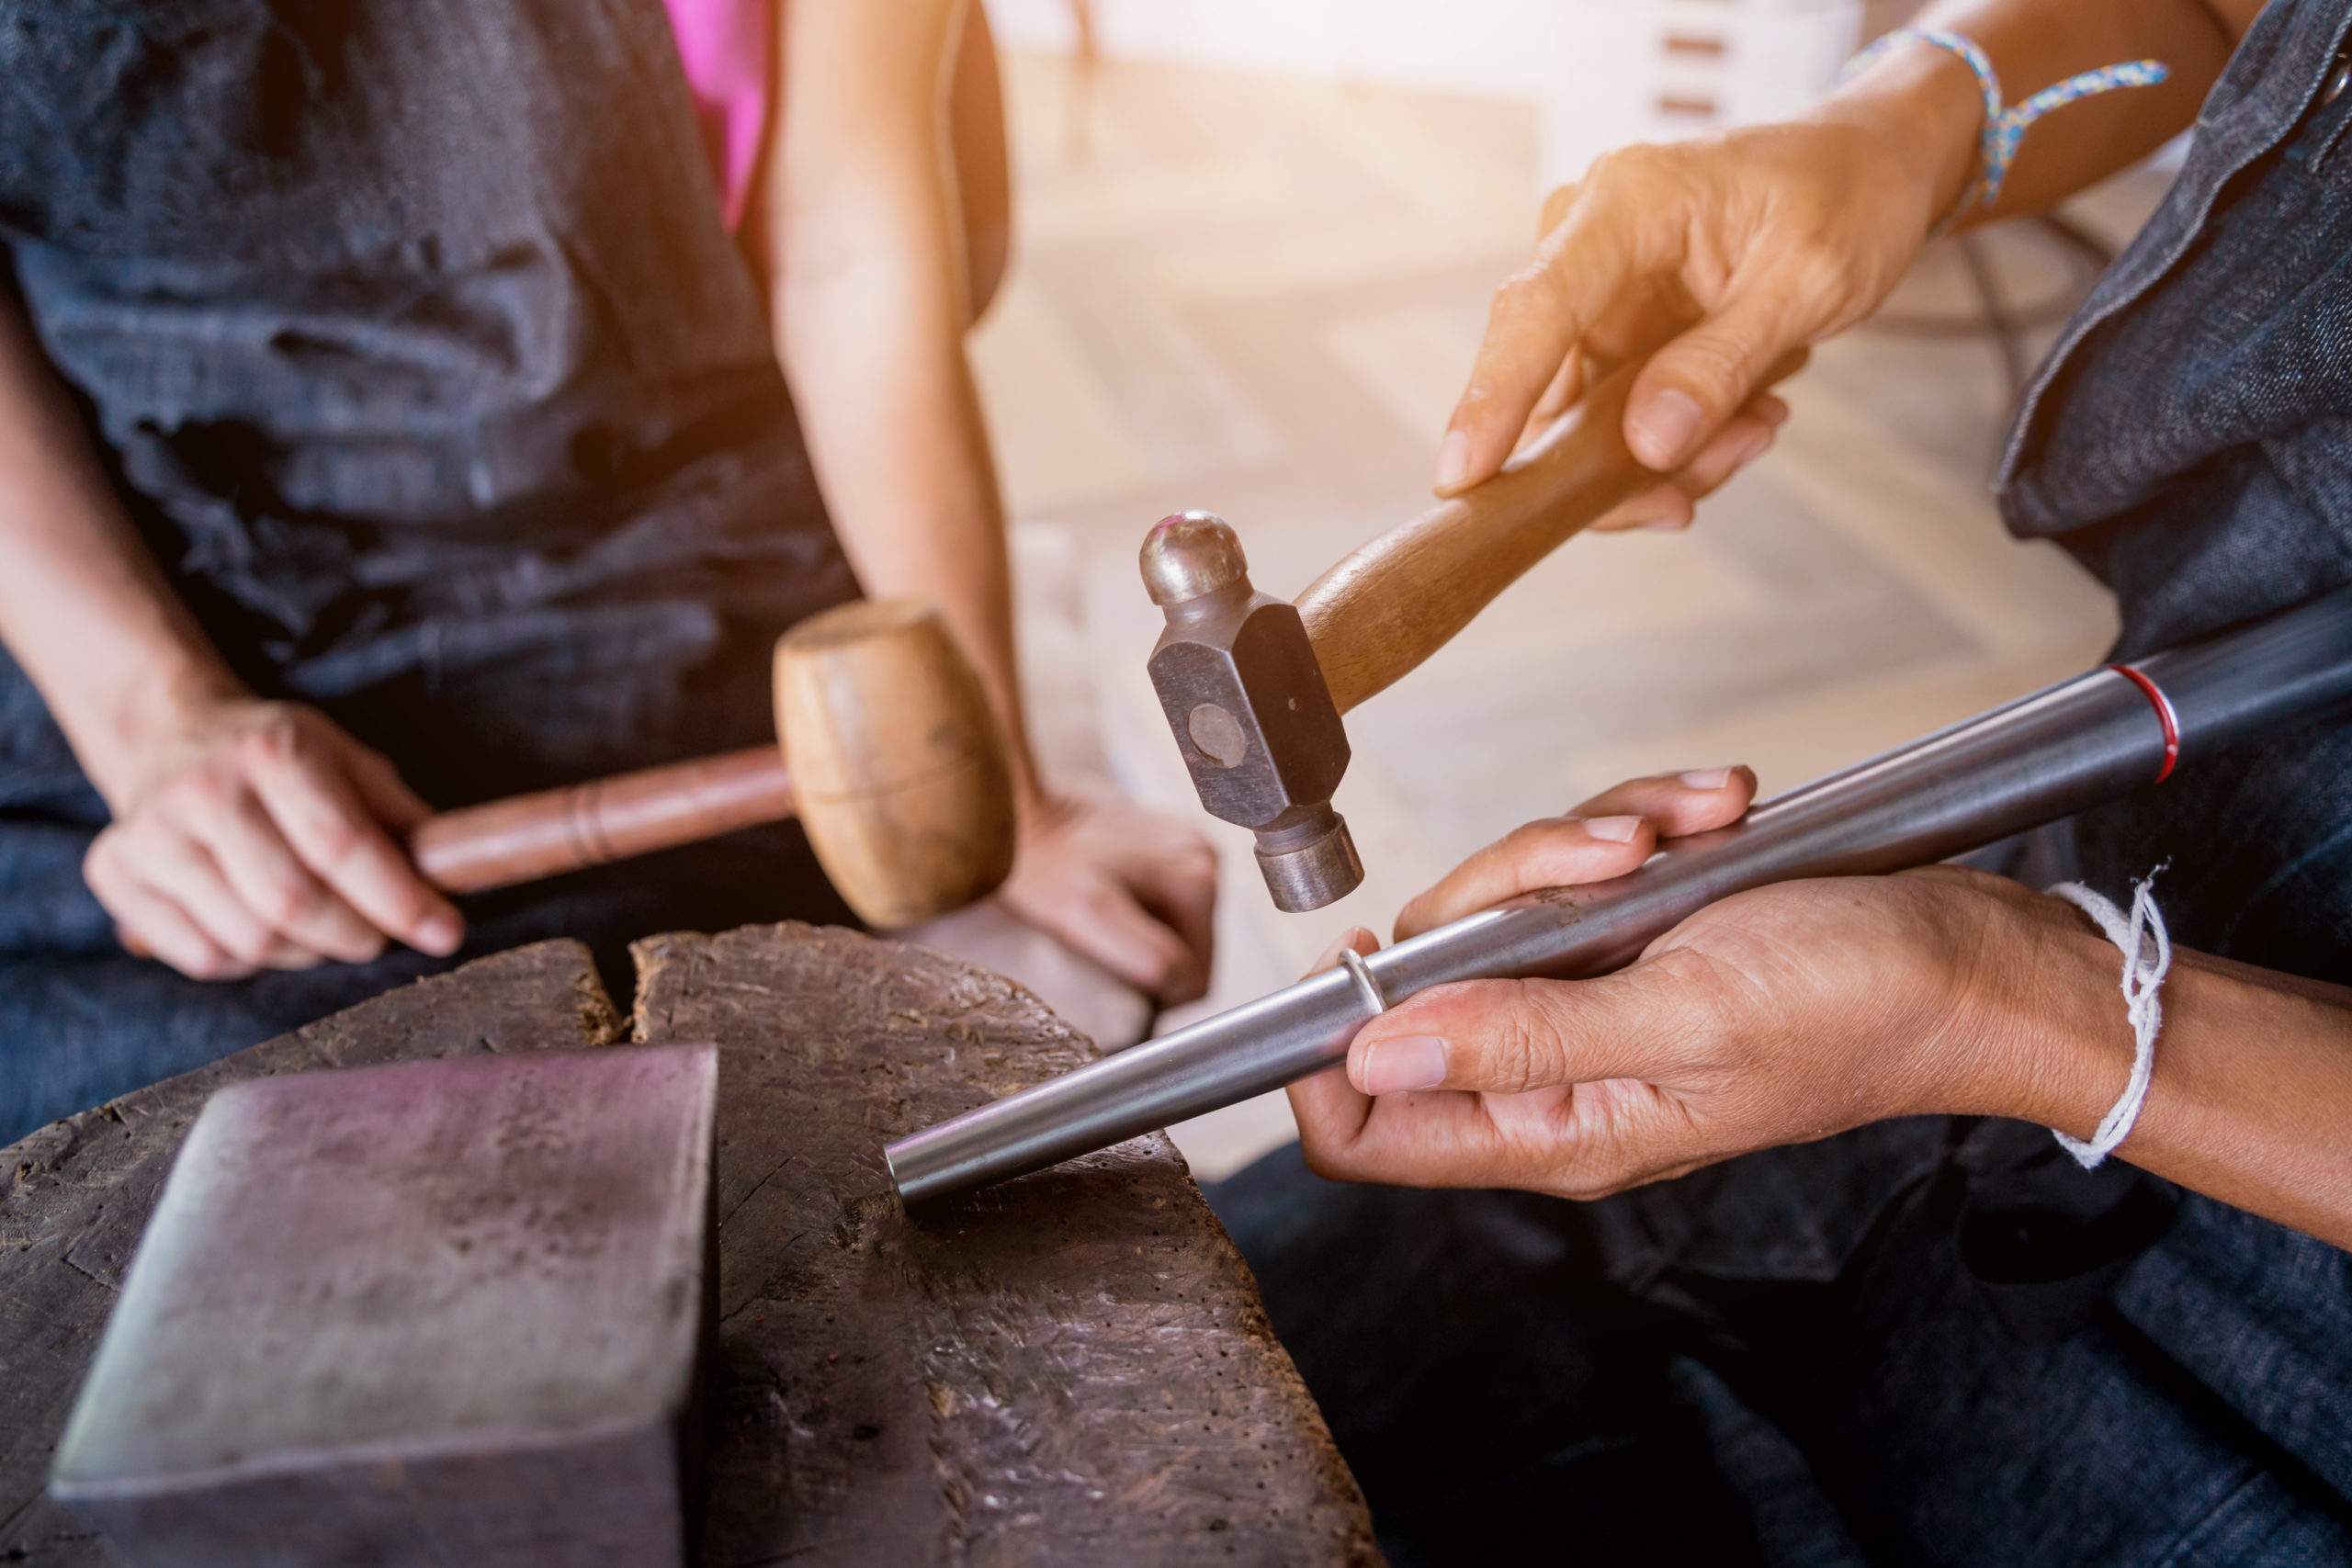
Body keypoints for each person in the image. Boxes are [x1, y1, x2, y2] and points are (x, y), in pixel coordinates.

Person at [1210, 2, 2352, 1562]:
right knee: (1224, 1335)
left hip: (2286, 1384)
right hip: (2117, 882)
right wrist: (1898, 129)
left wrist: (2019, 1010)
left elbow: (2002, 1003)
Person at [0, 0, 1214, 1145]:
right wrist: (154, 719)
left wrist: (999, 792)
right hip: (133, 609)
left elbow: (847, 253)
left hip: (662, 597)